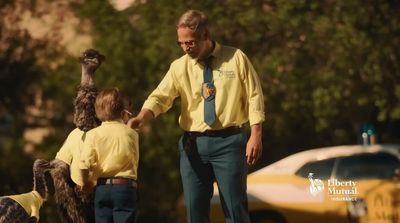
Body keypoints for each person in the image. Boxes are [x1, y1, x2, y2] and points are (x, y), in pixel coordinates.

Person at [128, 9, 265, 223]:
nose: (185, 48)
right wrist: (142, 117)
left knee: (235, 210)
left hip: (229, 142)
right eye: (181, 43)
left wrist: (255, 135)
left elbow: (254, 96)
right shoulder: (179, 67)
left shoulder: (236, 58)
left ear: (206, 35)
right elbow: (160, 97)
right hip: (193, 146)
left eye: (190, 42)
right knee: (194, 211)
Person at [79, 88, 139, 223]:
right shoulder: (132, 134)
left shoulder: (92, 134)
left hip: (102, 189)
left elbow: (83, 165)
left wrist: (86, 183)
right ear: (123, 111)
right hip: (125, 187)